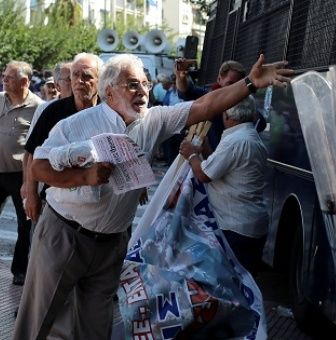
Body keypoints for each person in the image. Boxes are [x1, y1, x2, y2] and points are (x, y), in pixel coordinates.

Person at [14, 53, 292, 340]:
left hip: (110, 244)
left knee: (96, 328)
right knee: (38, 318)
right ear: (109, 92)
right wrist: (84, 176)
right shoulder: (76, 124)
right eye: (133, 85)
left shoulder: (153, 120)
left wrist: (250, 84)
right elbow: (39, 166)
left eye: (145, 83)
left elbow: (203, 105)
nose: (143, 91)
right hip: (65, 234)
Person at [179, 96, 268, 275]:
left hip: (236, 227)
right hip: (249, 224)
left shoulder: (235, 141)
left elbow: (204, 175)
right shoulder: (249, 137)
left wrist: (191, 155)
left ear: (227, 115)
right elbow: (220, 168)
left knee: (233, 284)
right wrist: (205, 150)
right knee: (244, 281)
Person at [23, 54, 101, 224]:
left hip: (98, 210)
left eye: (87, 76)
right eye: (75, 75)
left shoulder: (109, 111)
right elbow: (32, 155)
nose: (80, 81)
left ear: (100, 80)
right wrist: (31, 194)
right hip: (55, 206)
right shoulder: (53, 111)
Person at [0, 61, 43, 286]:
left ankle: (20, 270)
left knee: (24, 224)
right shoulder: (0, 99)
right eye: (4, 76)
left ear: (24, 81)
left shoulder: (39, 107)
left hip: (21, 175)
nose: (4, 80)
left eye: (9, 77)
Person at [177, 60, 246, 150]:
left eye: (238, 84)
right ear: (219, 79)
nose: (234, 89)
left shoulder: (246, 103)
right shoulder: (209, 97)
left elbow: (260, 123)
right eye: (230, 84)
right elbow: (186, 92)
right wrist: (181, 77)